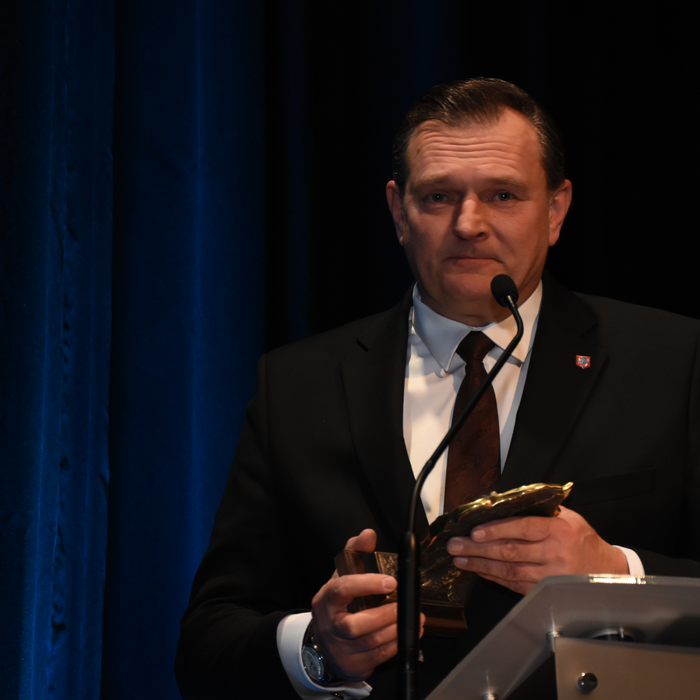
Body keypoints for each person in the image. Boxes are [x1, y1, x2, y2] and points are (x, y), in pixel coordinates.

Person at [175, 78, 700, 700]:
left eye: (502, 195)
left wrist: (616, 573)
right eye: (439, 197)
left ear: (556, 210)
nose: (469, 224)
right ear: (399, 213)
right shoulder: (299, 386)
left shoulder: (672, 361)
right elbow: (208, 646)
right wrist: (318, 649)